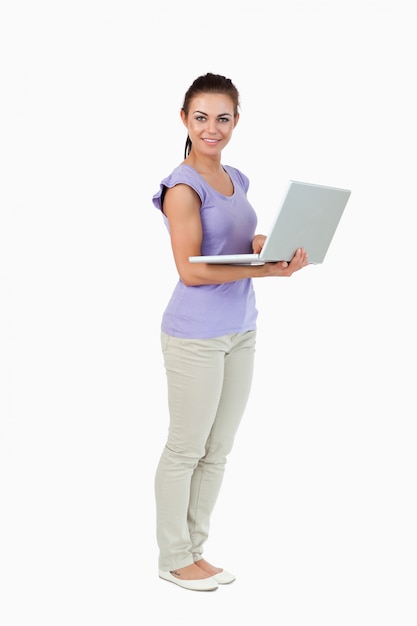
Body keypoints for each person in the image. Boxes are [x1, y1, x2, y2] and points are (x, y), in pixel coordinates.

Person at [152, 72, 309, 591]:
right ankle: (173, 557)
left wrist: (276, 244)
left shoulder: (236, 179)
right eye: (201, 117)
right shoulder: (182, 187)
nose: (212, 128)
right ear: (184, 120)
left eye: (223, 118)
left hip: (241, 327)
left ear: (236, 121)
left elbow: (238, 241)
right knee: (185, 448)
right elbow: (192, 269)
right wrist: (265, 270)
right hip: (195, 334)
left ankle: (196, 552)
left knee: (217, 449)